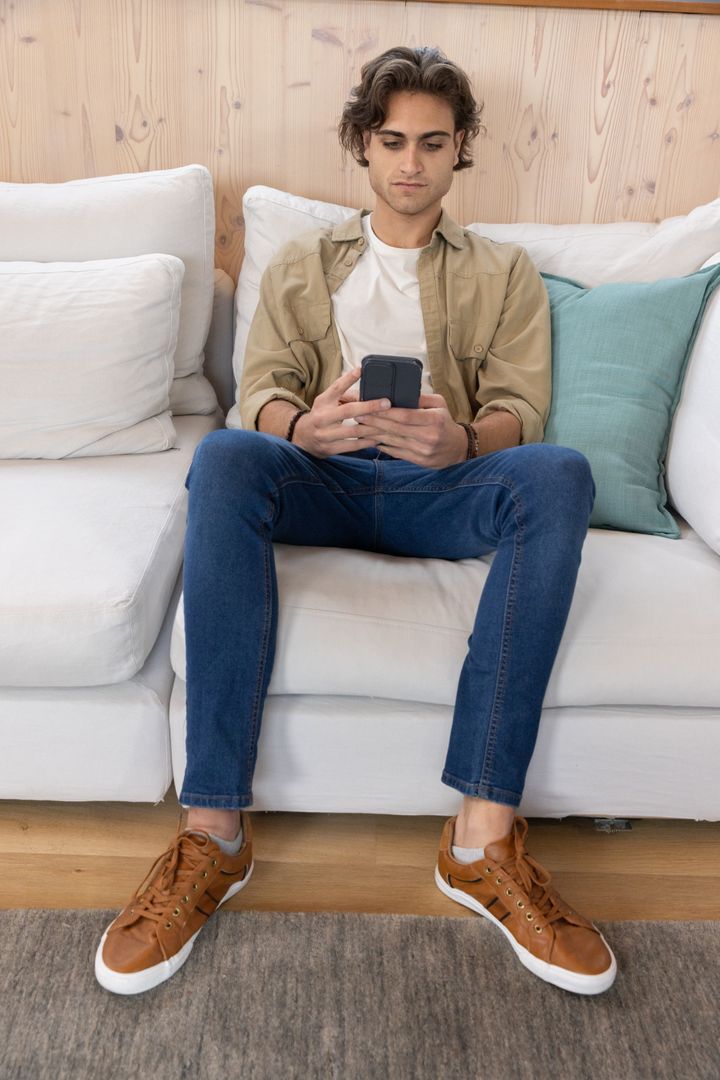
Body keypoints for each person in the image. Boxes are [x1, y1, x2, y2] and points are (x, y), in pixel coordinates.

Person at [95, 46, 616, 997]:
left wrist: (461, 440)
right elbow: (259, 391)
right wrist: (305, 427)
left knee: (559, 474)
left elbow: (523, 409)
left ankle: (481, 844)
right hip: (323, 483)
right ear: (362, 147)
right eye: (392, 141)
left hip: (441, 489)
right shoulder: (303, 261)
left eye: (432, 143)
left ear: (460, 150)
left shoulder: (504, 270)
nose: (411, 162)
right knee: (226, 455)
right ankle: (213, 836)